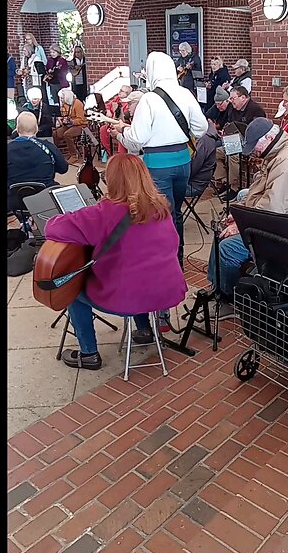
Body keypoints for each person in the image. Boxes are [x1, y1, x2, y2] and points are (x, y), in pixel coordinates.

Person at [44, 154, 188, 370]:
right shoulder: (162, 207)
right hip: (166, 291)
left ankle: (88, 354)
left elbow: (51, 227)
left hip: (129, 296)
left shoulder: (103, 213)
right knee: (137, 272)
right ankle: (144, 329)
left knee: (72, 291)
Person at [111, 51, 208, 270]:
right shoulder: (185, 94)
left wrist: (119, 134)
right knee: (176, 213)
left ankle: (166, 265)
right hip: (184, 162)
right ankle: (178, 261)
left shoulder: (149, 99)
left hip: (157, 165)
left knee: (162, 215)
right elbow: (201, 128)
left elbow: (137, 140)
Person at [208, 117, 288, 297]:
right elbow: (258, 191)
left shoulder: (287, 161)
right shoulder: (276, 150)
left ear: (269, 138)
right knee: (222, 231)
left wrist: (241, 226)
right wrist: (239, 215)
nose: (254, 152)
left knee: (226, 248)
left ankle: (228, 298)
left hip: (285, 231)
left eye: (255, 146)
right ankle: (216, 287)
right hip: (277, 221)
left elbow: (272, 208)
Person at [7, 112, 68, 210]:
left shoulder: (8, 149)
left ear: (17, 129)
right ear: (36, 128)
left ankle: (24, 223)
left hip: (15, 201)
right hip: (45, 198)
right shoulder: (48, 147)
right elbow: (63, 169)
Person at [52, 88, 91, 162]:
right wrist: (62, 120)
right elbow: (65, 115)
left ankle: (74, 155)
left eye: (62, 98)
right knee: (55, 133)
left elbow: (81, 119)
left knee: (67, 134)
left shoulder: (77, 103)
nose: (61, 99)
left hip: (81, 125)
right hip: (69, 124)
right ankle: (55, 153)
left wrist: (71, 121)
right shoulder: (64, 104)